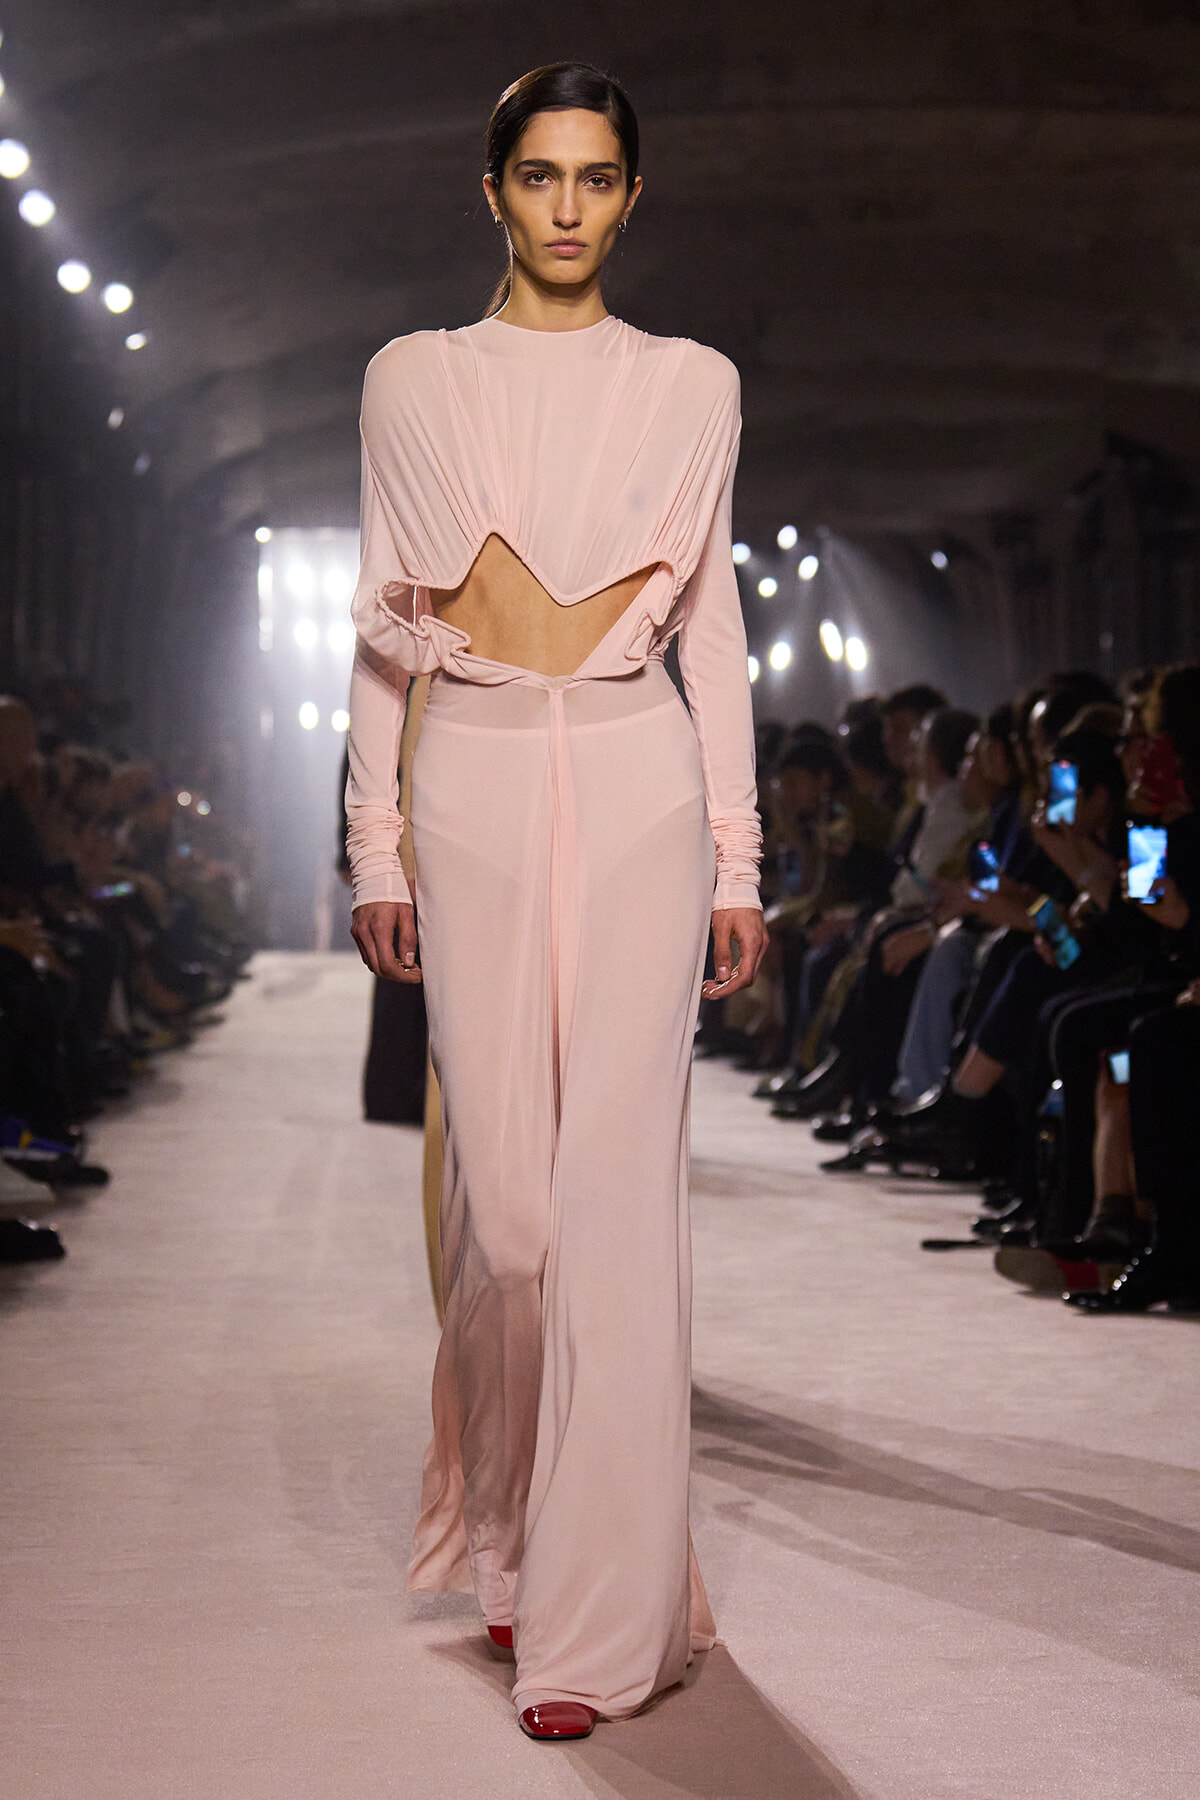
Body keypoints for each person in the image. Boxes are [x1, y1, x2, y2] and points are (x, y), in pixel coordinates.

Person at [343, 64, 765, 1742]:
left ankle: (593, 1627)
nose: (569, 206)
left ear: (633, 196)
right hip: (481, 781)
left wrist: (740, 854)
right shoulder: (414, 377)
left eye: (597, 177)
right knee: (507, 1219)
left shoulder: (692, 384)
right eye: (540, 175)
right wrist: (373, 845)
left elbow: (713, 631)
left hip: (645, 780)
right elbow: (382, 622)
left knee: (611, 1214)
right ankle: (514, 1534)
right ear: (494, 190)